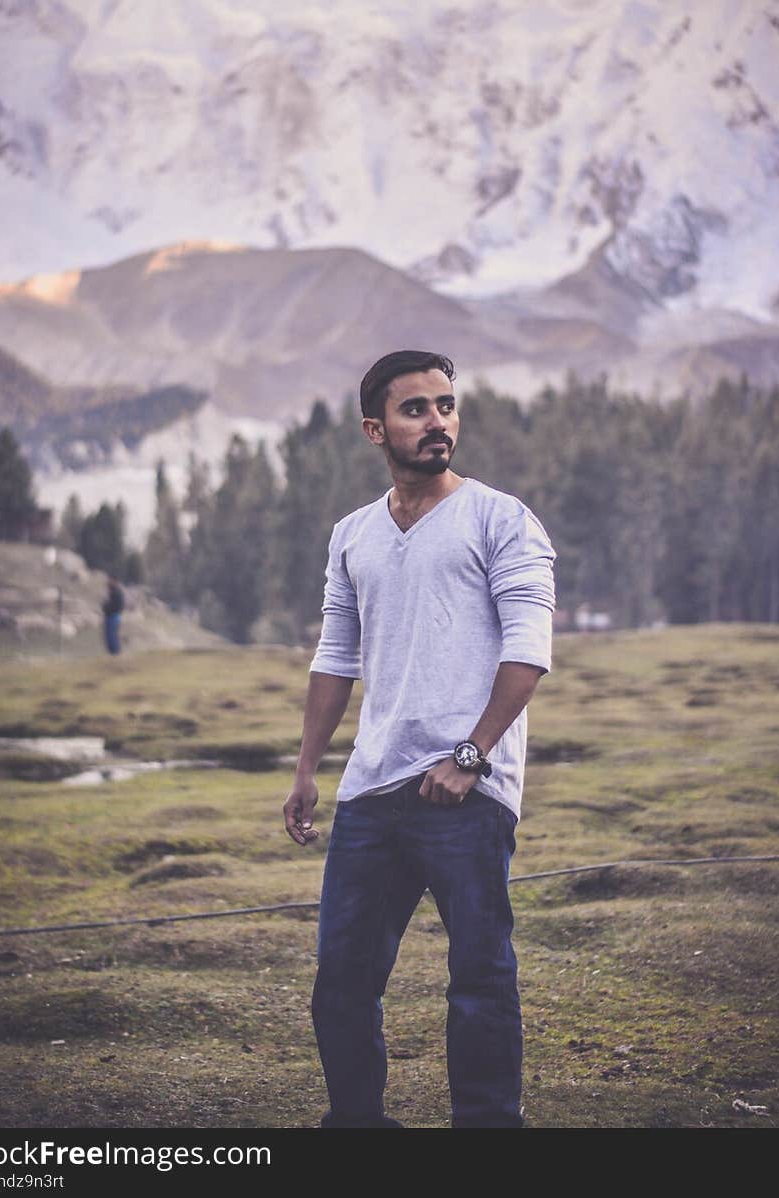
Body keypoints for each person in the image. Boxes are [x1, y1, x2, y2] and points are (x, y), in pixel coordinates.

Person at [283, 349, 556, 1129]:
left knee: (479, 977)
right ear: (375, 428)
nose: (437, 421)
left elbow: (528, 650)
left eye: (446, 405)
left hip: (466, 790)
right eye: (415, 409)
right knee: (342, 978)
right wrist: (307, 770)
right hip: (371, 791)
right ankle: (357, 1128)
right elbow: (336, 657)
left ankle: (486, 1128)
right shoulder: (354, 534)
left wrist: (471, 757)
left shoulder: (502, 519)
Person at [102, 575, 125, 655]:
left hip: (114, 617)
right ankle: (112, 653)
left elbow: (118, 606)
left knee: (112, 636)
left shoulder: (117, 592)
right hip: (110, 616)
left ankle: (116, 653)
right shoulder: (112, 592)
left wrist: (107, 606)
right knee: (108, 636)